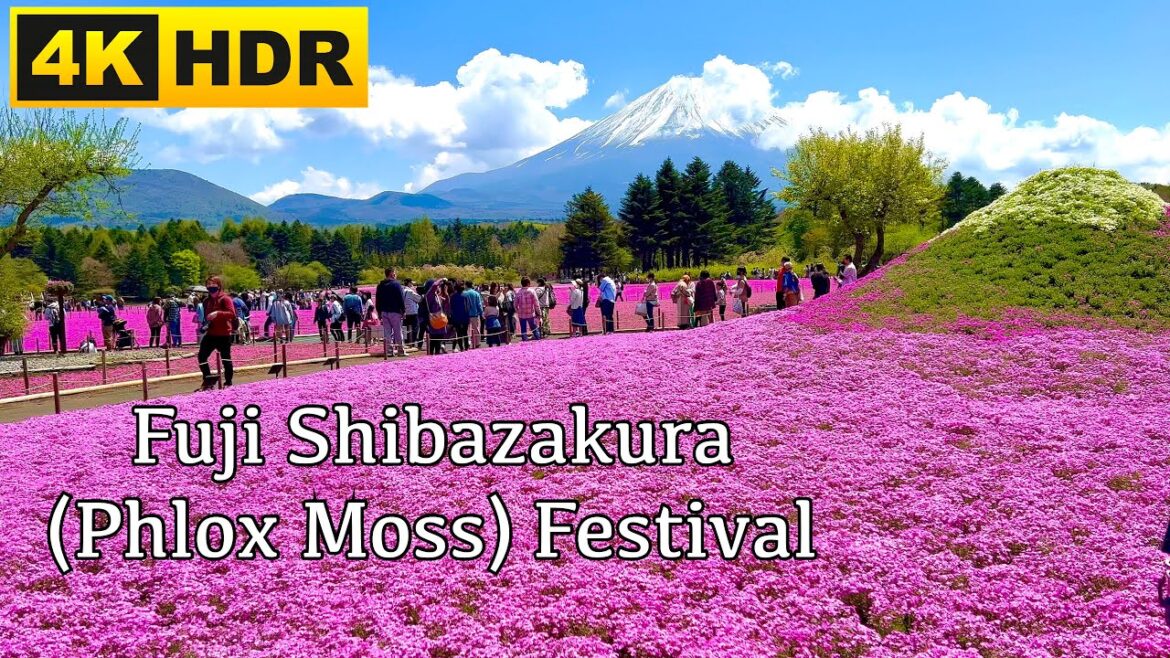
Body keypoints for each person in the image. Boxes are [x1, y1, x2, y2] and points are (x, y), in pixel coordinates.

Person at [196, 276, 236, 391]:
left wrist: (218, 313)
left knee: (226, 359)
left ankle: (228, 382)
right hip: (211, 333)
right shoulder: (207, 301)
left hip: (224, 334)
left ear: (219, 286)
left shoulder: (225, 299)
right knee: (202, 356)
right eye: (208, 286)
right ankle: (208, 380)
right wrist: (206, 325)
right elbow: (208, 318)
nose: (210, 288)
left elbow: (232, 314)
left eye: (213, 286)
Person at [375, 268, 406, 357]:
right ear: (391, 274)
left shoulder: (380, 285)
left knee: (387, 332)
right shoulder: (396, 284)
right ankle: (400, 350)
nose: (395, 274)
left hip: (384, 311)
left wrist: (379, 311)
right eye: (394, 273)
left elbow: (378, 300)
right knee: (398, 331)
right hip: (395, 311)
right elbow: (400, 298)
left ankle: (389, 351)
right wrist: (403, 311)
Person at [515, 277, 542, 341]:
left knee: (523, 329)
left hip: (522, 314)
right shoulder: (532, 291)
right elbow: (536, 304)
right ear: (528, 283)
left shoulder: (518, 292)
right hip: (531, 313)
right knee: (534, 328)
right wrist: (539, 313)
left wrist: (518, 311)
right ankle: (538, 339)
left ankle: (524, 341)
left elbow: (515, 304)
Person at [462, 281, 484, 349]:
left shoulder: (464, 293)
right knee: (476, 328)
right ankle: (477, 342)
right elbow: (479, 304)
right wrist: (481, 313)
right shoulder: (476, 293)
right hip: (475, 314)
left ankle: (468, 342)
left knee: (466, 330)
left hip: (466, 314)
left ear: (466, 285)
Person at [402, 279, 421, 349]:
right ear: (409, 283)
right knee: (415, 328)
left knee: (406, 328)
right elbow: (419, 299)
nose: (413, 285)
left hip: (405, 313)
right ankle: (412, 343)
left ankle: (406, 342)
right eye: (412, 284)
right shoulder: (410, 291)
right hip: (413, 312)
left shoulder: (402, 291)